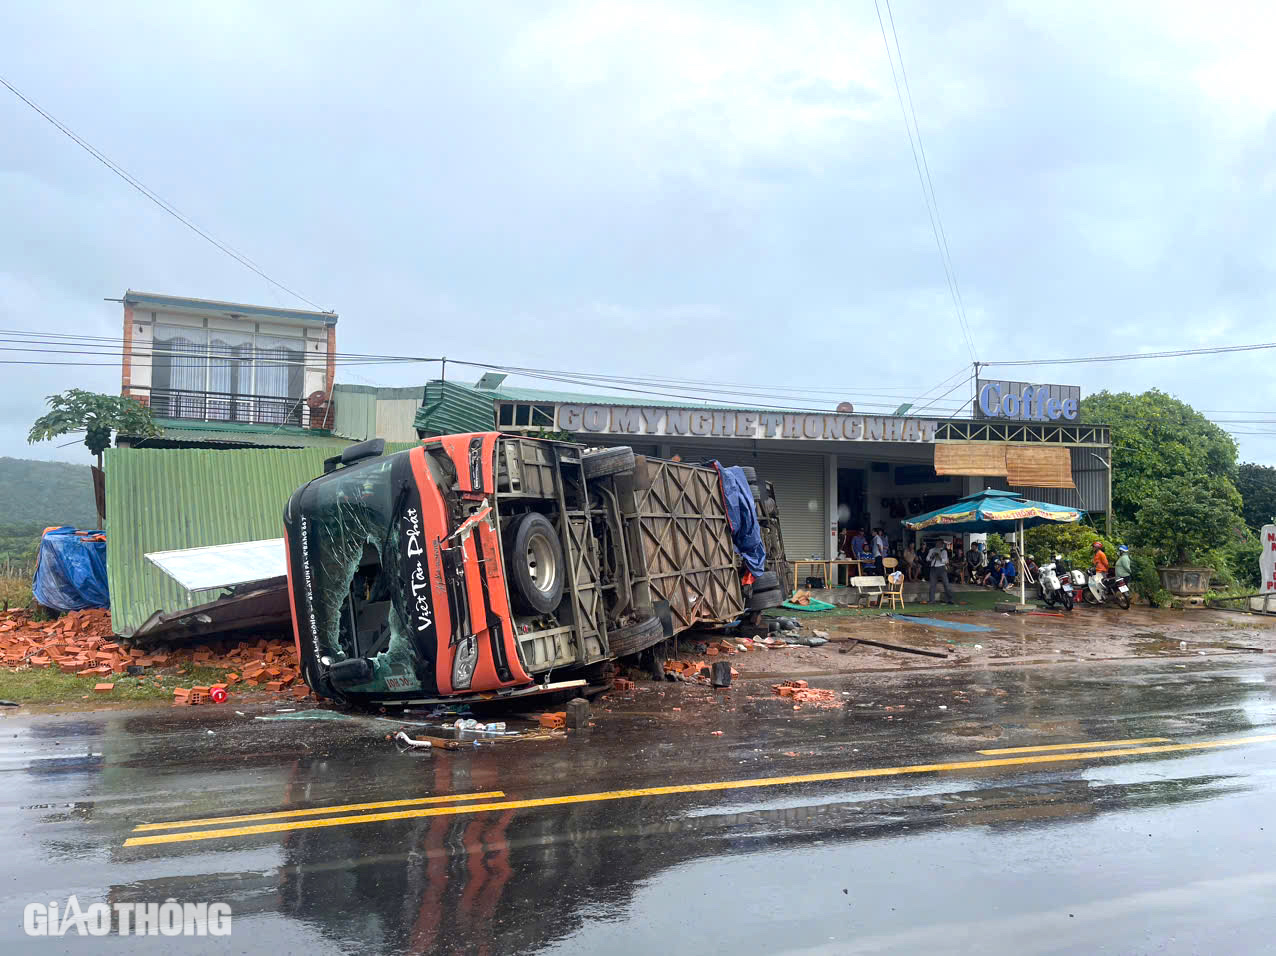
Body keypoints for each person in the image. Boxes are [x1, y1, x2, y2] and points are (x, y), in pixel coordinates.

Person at [926, 539, 954, 604]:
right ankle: (932, 600)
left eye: (939, 543)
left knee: (946, 584)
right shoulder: (931, 550)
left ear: (942, 544)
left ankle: (950, 599)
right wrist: (932, 557)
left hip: (942, 568)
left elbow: (945, 561)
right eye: (937, 543)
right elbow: (927, 559)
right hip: (933, 568)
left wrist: (939, 557)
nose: (938, 544)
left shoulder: (944, 551)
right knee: (932, 585)